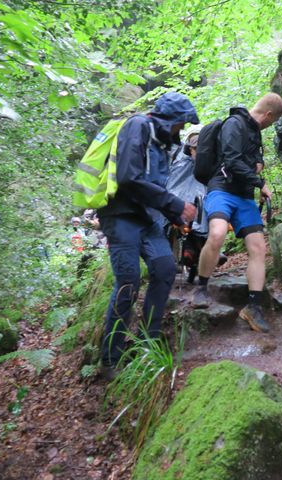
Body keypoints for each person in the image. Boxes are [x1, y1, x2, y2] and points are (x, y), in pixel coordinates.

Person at [96, 91, 199, 379]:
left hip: (146, 217)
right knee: (128, 281)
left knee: (165, 268)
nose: (180, 131)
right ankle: (110, 360)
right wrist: (176, 204)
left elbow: (155, 187)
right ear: (171, 119)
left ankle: (147, 342)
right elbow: (129, 178)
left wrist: (174, 216)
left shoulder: (162, 142)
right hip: (119, 216)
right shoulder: (138, 126)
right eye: (180, 124)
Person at [192, 93, 282, 334]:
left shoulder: (256, 134)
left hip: (243, 195)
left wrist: (258, 176)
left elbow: (255, 162)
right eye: (272, 121)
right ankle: (202, 287)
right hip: (221, 190)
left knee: (258, 247)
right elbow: (232, 160)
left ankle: (253, 307)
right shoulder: (234, 124)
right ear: (268, 115)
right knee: (217, 233)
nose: (270, 125)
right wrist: (260, 182)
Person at [166, 127, 227, 284]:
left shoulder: (210, 159)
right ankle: (174, 260)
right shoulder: (177, 156)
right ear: (189, 147)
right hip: (178, 199)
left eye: (199, 148)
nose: (196, 152)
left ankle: (206, 255)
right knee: (173, 221)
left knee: (207, 216)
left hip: (201, 198)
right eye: (194, 148)